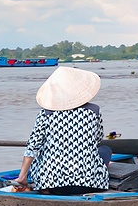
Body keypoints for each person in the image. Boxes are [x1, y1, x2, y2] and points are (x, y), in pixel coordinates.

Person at [12, 67, 110, 195]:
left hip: (51, 185)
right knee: (105, 150)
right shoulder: (94, 111)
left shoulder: (45, 114)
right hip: (89, 184)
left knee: (40, 151)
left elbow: (32, 147)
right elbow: (97, 139)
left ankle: (45, 186)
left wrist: (22, 177)